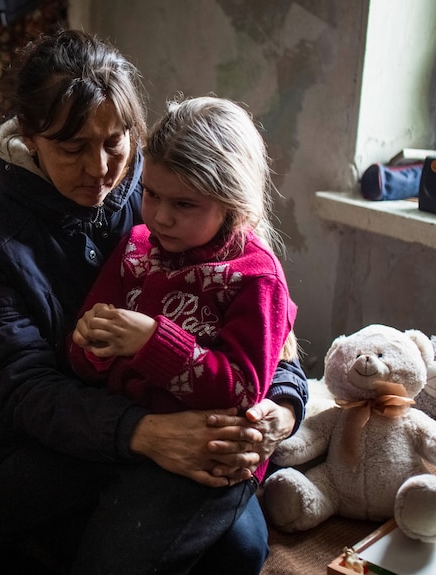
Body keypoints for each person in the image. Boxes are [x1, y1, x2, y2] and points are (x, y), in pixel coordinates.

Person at [0, 30, 308, 575]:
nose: (101, 170)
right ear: (30, 137)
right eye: (72, 148)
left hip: (197, 415)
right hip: (71, 435)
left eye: (115, 141)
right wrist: (145, 433)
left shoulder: (163, 184)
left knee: (240, 550)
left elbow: (270, 331)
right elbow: (24, 388)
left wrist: (281, 409)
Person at [64, 95, 299, 570]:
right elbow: (82, 361)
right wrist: (90, 344)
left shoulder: (256, 277)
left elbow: (240, 388)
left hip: (213, 455)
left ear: (232, 202)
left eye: (184, 203)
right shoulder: (135, 248)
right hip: (130, 435)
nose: (160, 217)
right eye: (151, 194)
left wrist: (153, 341)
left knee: (120, 558)